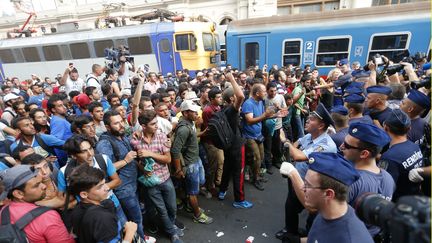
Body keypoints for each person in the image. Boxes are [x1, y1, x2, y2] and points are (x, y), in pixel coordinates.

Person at [280, 152, 373, 243]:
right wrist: (298, 241)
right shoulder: (326, 209)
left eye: (307, 185)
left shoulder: (349, 238)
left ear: (328, 194)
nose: (302, 188)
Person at [277, 103, 337, 239]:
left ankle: (309, 237)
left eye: (312, 119)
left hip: (313, 186)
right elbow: (296, 145)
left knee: (313, 214)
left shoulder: (326, 145)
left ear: (321, 126)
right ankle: (290, 231)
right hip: (298, 177)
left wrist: (284, 140)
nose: (308, 120)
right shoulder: (311, 136)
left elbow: (298, 156)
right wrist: (291, 147)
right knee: (291, 205)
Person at [131, 110, 183, 243]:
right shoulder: (135, 141)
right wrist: (143, 169)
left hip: (165, 178)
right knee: (161, 210)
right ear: (143, 126)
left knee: (172, 207)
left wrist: (150, 153)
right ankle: (172, 233)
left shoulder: (161, 137)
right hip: (150, 182)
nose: (157, 126)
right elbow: (135, 161)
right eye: (153, 124)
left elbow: (167, 159)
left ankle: (170, 226)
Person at [340, 122, 395, 238]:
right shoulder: (388, 178)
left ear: (364, 154)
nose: (341, 147)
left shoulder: (350, 182)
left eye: (346, 145)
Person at [95, 110, 145, 237]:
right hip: (123, 190)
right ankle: (139, 239)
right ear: (107, 127)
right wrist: (125, 160)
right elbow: (104, 168)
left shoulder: (121, 136)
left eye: (121, 121)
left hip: (133, 185)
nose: (121, 125)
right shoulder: (104, 144)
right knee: (135, 220)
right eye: (116, 123)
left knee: (136, 218)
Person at [68, 165, 145, 243]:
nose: (107, 188)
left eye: (105, 183)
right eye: (100, 186)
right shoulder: (102, 218)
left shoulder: (76, 210)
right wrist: (129, 233)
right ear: (84, 194)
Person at [0, 165, 75, 243]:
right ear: (18, 194)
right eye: (36, 185)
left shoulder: (3, 211)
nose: (44, 186)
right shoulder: (47, 216)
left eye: (41, 182)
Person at [171, 100, 213, 224]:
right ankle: (197, 214)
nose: (197, 115)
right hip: (190, 164)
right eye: (194, 112)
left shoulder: (190, 124)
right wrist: (178, 169)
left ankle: (189, 204)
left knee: (199, 184)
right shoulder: (183, 129)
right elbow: (175, 150)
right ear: (185, 113)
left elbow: (191, 138)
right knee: (192, 192)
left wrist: (202, 133)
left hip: (195, 159)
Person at [218, 72, 253, 208]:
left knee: (227, 168)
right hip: (237, 146)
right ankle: (239, 200)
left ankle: (222, 191)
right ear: (232, 98)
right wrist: (232, 78)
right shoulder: (232, 110)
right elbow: (241, 96)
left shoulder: (223, 109)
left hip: (228, 145)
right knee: (239, 172)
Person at [379, 109, 424, 201]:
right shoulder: (415, 147)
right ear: (409, 128)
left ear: (385, 127)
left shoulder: (389, 157)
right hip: (414, 198)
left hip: (399, 203)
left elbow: (384, 190)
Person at [241, 83, 274, 191]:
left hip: (258, 134)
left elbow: (262, 117)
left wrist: (276, 115)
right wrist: (265, 115)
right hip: (249, 136)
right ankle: (255, 179)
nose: (266, 93)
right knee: (256, 158)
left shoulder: (260, 101)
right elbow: (249, 121)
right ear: (257, 93)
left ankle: (256, 175)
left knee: (261, 156)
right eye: (264, 91)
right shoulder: (248, 104)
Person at [201, 87, 224, 195]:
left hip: (218, 141)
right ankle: (210, 185)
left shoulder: (218, 107)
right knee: (213, 164)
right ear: (211, 99)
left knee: (220, 161)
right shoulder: (207, 111)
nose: (221, 99)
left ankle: (217, 181)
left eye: (221, 96)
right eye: (218, 97)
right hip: (211, 142)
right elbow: (209, 129)